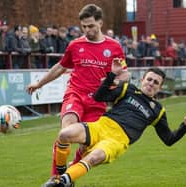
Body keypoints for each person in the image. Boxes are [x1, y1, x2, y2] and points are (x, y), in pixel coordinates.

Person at [43, 63, 186, 187]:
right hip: (101, 126)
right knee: (64, 134)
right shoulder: (128, 89)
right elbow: (99, 96)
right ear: (142, 80)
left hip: (117, 140)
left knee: (94, 157)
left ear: (160, 88)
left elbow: (168, 139)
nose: (151, 84)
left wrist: (184, 127)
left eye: (156, 82)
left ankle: (62, 182)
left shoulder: (158, 111)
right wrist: (112, 75)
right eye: (149, 79)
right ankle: (61, 174)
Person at [26, 3, 129, 183]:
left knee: (87, 145)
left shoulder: (114, 47)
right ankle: (55, 177)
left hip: (98, 100)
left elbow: (125, 73)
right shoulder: (75, 45)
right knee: (65, 132)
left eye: (91, 26)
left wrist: (116, 80)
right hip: (75, 94)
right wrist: (39, 83)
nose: (87, 30)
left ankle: (69, 175)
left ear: (100, 23)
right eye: (84, 27)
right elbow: (60, 67)